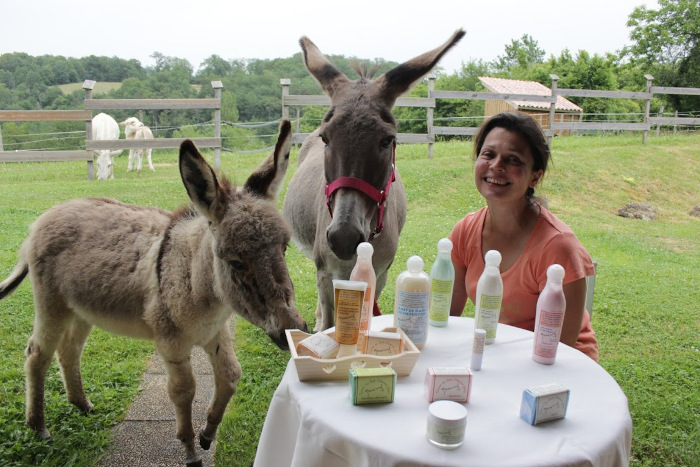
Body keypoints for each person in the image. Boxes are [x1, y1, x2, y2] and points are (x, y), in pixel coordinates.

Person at [449, 112, 598, 361]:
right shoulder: (465, 231)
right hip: (498, 353)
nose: (496, 165)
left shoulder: (557, 246)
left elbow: (562, 350)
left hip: (557, 363)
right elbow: (446, 317)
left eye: (513, 160)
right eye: (488, 154)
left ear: (535, 176)